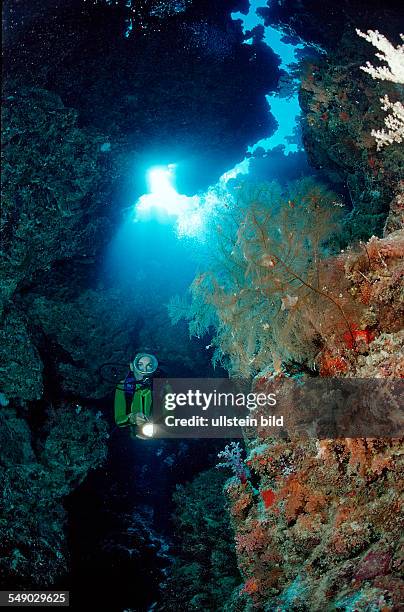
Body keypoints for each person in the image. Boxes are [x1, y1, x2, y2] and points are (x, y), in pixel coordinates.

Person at [114, 352, 159, 439]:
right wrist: (132, 418)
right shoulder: (123, 386)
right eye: (140, 365)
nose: (144, 370)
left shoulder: (160, 387)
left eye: (149, 366)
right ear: (132, 367)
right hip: (129, 438)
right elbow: (119, 420)